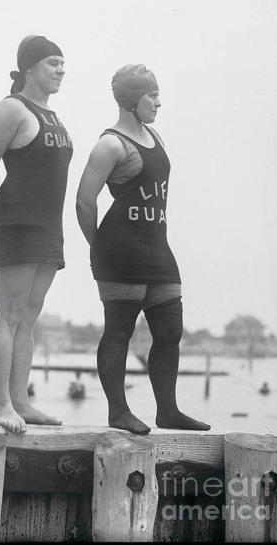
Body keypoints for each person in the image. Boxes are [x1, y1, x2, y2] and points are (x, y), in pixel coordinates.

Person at [76, 64, 210, 435]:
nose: (158, 102)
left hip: (157, 247)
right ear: (133, 99)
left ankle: (168, 410)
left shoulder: (155, 136)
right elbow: (84, 202)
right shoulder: (110, 144)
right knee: (119, 330)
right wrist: (98, 247)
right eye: (152, 95)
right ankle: (118, 411)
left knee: (170, 329)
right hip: (121, 249)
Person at [0, 35, 73, 433]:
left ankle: (21, 402)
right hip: (17, 222)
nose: (61, 70)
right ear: (29, 69)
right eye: (53, 62)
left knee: (29, 318)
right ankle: (0, 405)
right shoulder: (12, 108)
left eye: (63, 63)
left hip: (49, 226)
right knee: (10, 314)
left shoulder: (52, 114)